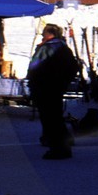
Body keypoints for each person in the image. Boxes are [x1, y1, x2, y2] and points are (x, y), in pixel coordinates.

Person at [27, 24, 80, 159]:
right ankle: (62, 144)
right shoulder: (64, 47)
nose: (42, 35)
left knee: (50, 118)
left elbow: (35, 67)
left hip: (45, 87)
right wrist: (63, 82)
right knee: (55, 117)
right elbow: (73, 67)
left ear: (50, 33)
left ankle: (58, 148)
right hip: (56, 88)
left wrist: (36, 80)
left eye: (44, 32)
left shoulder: (48, 48)